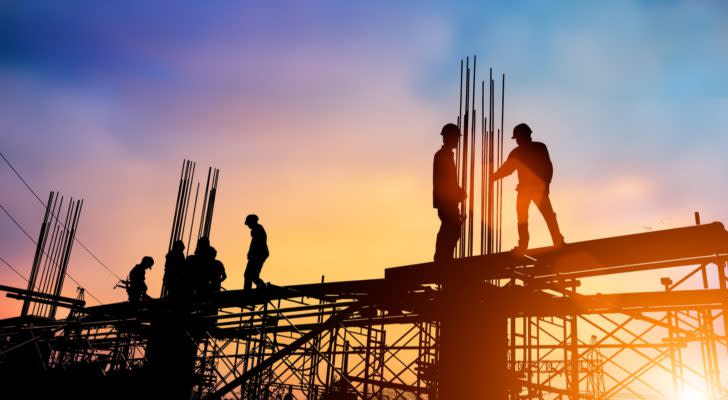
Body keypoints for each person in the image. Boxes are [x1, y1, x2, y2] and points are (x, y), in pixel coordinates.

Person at [491, 123, 565, 253]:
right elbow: (507, 169)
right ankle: (527, 245)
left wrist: (546, 184)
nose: (517, 141)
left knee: (545, 216)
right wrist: (494, 177)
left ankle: (556, 241)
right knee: (525, 218)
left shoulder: (537, 148)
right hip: (527, 190)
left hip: (535, 189)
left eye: (518, 138)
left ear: (525, 135)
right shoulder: (520, 151)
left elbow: (548, 167)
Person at [433, 123, 466, 262]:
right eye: (456, 138)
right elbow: (445, 180)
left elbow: (449, 180)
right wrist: (458, 192)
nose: (458, 141)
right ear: (449, 138)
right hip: (446, 201)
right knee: (451, 229)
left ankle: (444, 259)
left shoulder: (446, 155)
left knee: (452, 229)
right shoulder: (443, 155)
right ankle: (442, 260)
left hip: (448, 201)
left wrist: (458, 193)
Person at [244, 214, 268, 290]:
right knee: (251, 275)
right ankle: (261, 286)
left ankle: (250, 291)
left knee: (249, 275)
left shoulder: (257, 229)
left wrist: (251, 253)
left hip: (258, 255)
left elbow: (256, 244)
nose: (248, 226)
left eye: (249, 224)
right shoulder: (257, 229)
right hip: (259, 254)